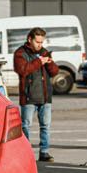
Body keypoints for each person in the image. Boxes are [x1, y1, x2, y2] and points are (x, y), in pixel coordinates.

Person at [13, 27, 59, 162]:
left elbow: (54, 72)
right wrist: (39, 62)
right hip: (28, 96)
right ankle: (25, 153)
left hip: (45, 96)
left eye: (42, 42)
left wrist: (49, 63)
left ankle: (44, 152)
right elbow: (22, 70)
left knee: (45, 126)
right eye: (37, 42)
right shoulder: (20, 53)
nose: (40, 45)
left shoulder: (44, 52)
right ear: (30, 39)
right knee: (25, 126)